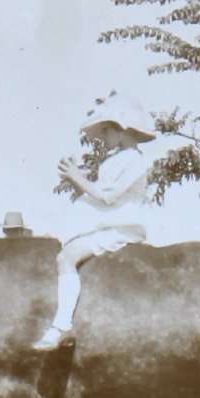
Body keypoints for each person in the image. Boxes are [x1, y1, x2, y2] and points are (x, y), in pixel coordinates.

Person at [33, 92, 156, 350]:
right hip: (110, 221)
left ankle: (62, 325)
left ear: (122, 129)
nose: (103, 138)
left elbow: (106, 196)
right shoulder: (120, 158)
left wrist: (76, 176)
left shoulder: (133, 159)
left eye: (107, 131)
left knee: (66, 258)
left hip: (122, 226)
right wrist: (75, 178)